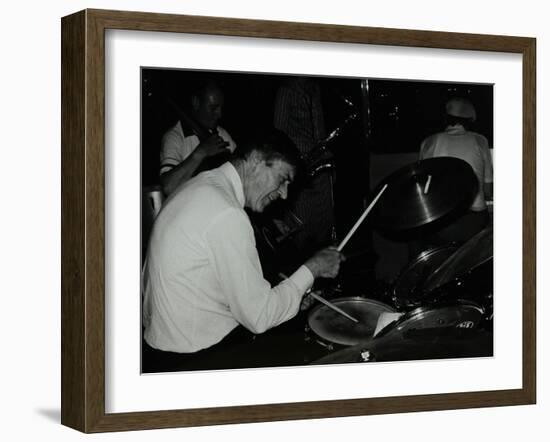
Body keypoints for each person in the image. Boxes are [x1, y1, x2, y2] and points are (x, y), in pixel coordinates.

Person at [142, 132, 344, 369]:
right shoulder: (226, 213)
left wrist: (293, 296)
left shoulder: (199, 185)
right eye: (282, 179)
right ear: (257, 160)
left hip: (158, 346)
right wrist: (314, 267)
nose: (284, 194)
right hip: (194, 358)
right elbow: (259, 318)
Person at [273, 77, 336, 258]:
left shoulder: (315, 88)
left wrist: (326, 158)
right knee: (301, 228)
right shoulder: (286, 90)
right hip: (300, 170)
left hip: (320, 170)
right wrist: (299, 158)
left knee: (324, 226)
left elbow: (320, 130)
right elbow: (279, 134)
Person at [418, 97, 493, 245]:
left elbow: (423, 186)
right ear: (470, 120)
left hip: (441, 220)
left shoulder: (429, 142)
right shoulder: (480, 140)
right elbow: (488, 189)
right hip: (474, 220)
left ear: (445, 118)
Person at [159, 80, 237, 196]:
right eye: (213, 107)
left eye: (221, 107)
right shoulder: (174, 137)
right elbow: (168, 187)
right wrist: (201, 152)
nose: (219, 114)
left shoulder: (222, 133)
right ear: (196, 102)